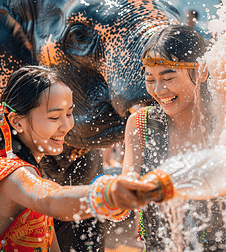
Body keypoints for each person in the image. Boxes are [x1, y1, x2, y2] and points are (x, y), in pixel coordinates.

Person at [0, 65, 157, 251]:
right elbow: (51, 199)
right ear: (17, 122)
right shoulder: (13, 173)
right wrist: (107, 194)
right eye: (54, 117)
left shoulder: (29, 168)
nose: (66, 126)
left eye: (69, 114)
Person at [122, 24, 226, 251]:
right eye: (150, 79)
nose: (158, 90)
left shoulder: (222, 117)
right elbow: (125, 199)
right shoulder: (140, 124)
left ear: (201, 71)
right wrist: (118, 201)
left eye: (168, 77)